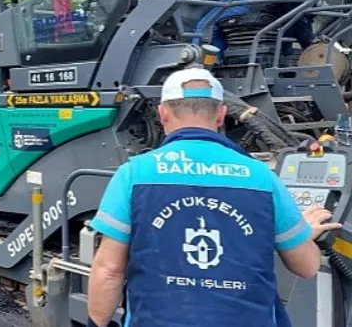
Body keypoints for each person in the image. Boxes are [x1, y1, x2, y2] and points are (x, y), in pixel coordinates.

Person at [85, 68, 342, 327]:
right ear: (221, 115)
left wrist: (96, 323)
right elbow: (307, 267)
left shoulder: (134, 174)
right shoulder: (261, 177)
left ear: (162, 113)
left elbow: (109, 270)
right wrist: (301, 234)